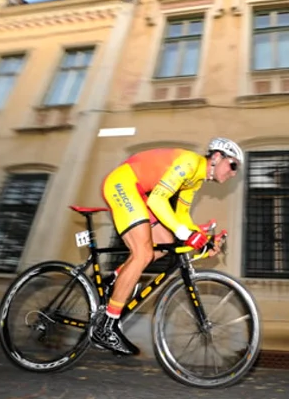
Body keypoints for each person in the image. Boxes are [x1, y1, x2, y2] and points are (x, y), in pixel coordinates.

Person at [90, 137, 244, 356]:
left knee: (166, 243)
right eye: (233, 165)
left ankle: (114, 279)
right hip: (122, 184)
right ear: (217, 157)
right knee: (142, 254)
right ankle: (105, 327)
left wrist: (203, 240)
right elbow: (158, 200)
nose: (234, 173)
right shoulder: (189, 163)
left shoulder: (196, 180)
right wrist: (187, 234)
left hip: (137, 192)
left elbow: (181, 217)